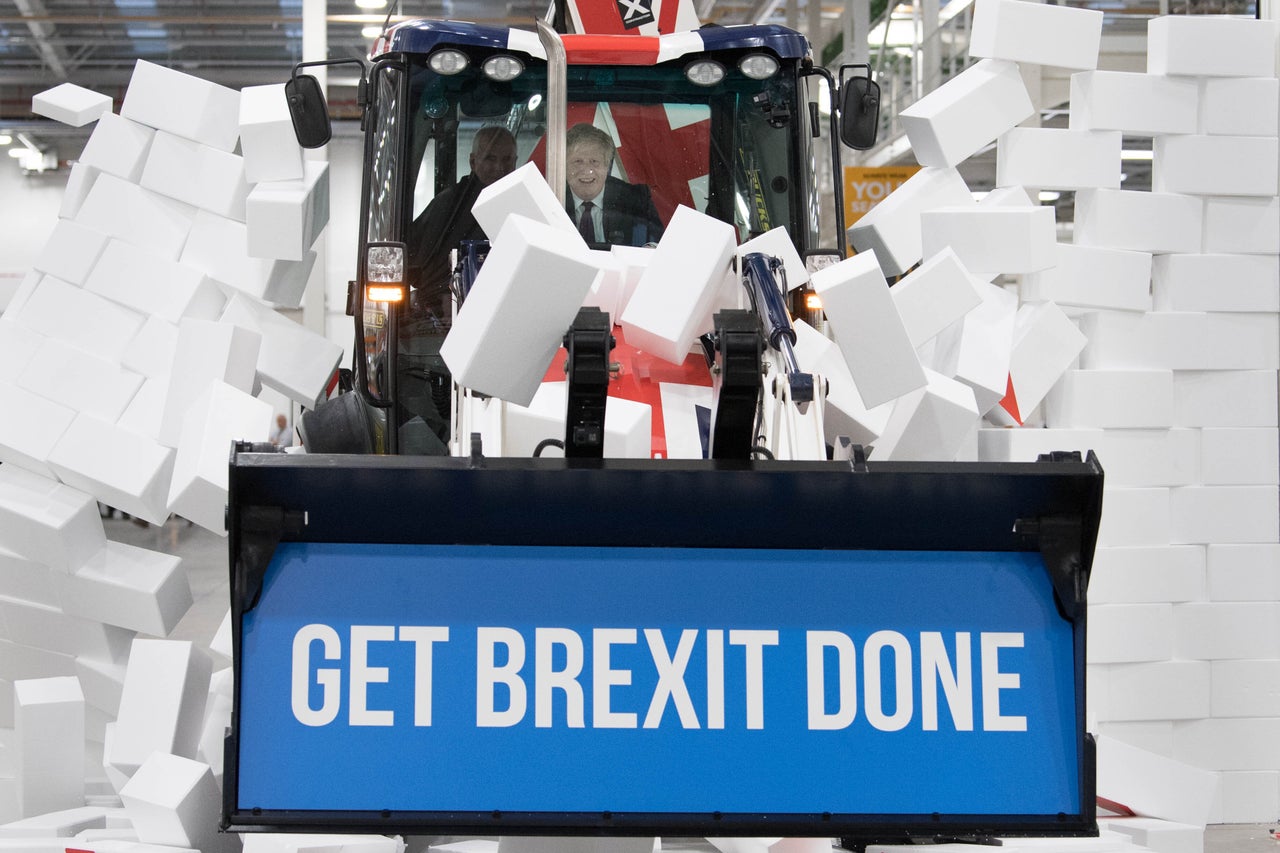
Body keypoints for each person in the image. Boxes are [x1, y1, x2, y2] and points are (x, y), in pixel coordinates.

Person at [407, 125, 519, 319]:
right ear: (473, 162)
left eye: (507, 160)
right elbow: (413, 261)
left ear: (516, 162)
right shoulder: (449, 205)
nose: (500, 168)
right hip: (448, 317)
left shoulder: (524, 205)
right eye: (490, 159)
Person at [564, 123, 663, 248]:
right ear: (564, 166)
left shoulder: (636, 198)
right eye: (578, 162)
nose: (587, 170)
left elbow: (659, 243)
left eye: (594, 162)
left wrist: (650, 248)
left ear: (607, 167)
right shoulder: (550, 195)